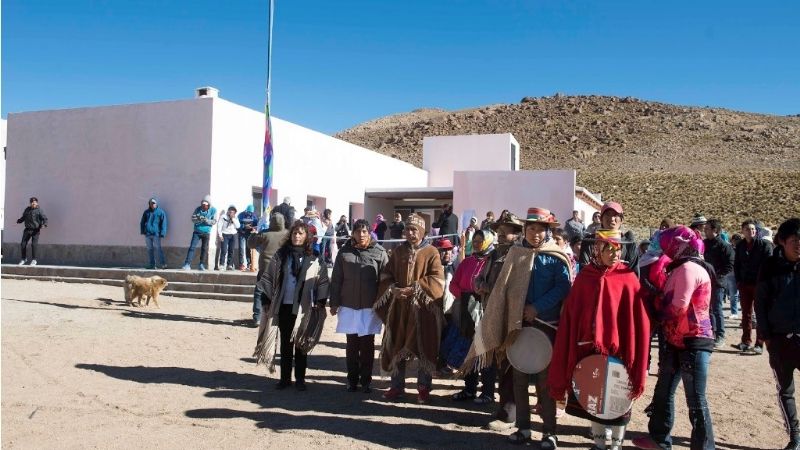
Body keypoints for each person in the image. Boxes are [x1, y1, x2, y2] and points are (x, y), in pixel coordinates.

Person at [461, 207, 571, 448]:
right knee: (519, 377)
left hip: (546, 326)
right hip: (517, 325)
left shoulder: (556, 256)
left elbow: (563, 287)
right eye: (531, 228)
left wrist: (537, 307)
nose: (535, 234)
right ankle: (523, 428)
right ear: (525, 230)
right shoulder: (516, 254)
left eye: (540, 229)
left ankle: (549, 432)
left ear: (547, 232)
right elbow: (505, 286)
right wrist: (513, 309)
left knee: (545, 381)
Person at [548, 230, 651, 450]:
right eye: (608, 249)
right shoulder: (586, 277)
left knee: (619, 399)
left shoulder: (628, 278)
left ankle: (615, 445)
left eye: (617, 249)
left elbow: (637, 320)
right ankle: (600, 443)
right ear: (597, 251)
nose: (614, 254)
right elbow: (573, 314)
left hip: (620, 351)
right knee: (593, 397)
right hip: (589, 349)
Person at [632, 226, 715, 450]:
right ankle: (659, 438)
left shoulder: (688, 269)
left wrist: (656, 312)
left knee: (696, 400)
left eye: (668, 245)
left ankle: (704, 447)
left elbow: (678, 307)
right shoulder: (678, 269)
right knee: (664, 391)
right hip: (677, 342)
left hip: (693, 342)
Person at [376, 214, 445, 404]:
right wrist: (393, 289)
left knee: (424, 347)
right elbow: (386, 275)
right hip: (400, 307)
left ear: (422, 232)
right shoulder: (398, 252)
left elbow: (438, 279)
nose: (410, 233)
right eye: (407, 229)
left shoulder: (432, 252)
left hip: (423, 309)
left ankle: (423, 388)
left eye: (414, 229)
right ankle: (397, 387)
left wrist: (415, 288)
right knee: (397, 344)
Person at [253, 221, 329, 391]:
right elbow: (269, 278)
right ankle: (285, 378)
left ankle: (300, 379)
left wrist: (320, 301)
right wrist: (266, 299)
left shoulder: (314, 259)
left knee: (300, 344)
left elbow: (322, 281)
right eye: (294, 233)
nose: (297, 236)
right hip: (284, 306)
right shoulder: (281, 256)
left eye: (300, 233)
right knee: (286, 344)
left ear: (306, 237)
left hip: (303, 309)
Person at [473, 211, 524, 430]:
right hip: (493, 316)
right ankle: (504, 408)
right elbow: (483, 277)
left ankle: (508, 414)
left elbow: (515, 290)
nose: (501, 235)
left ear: (516, 234)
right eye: (499, 231)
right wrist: (478, 282)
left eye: (506, 232)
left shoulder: (519, 255)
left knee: (510, 365)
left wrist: (488, 288)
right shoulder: (494, 255)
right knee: (499, 364)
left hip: (510, 319)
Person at [329, 219, 389, 394]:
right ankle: (352, 380)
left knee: (367, 345)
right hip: (348, 305)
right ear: (353, 233)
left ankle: (366, 381)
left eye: (364, 231)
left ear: (369, 233)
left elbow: (385, 281)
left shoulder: (380, 252)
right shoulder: (344, 252)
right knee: (352, 345)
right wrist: (334, 303)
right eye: (358, 231)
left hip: (369, 308)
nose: (361, 235)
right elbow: (337, 280)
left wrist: (383, 305)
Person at [756, 218, 800, 450]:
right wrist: (767, 337)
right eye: (795, 240)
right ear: (783, 241)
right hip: (780, 341)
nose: (799, 245)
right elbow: (760, 302)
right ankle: (795, 436)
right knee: (786, 391)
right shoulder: (770, 266)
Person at [449, 229, 496, 404]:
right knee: (468, 351)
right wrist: (465, 296)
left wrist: (480, 294)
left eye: (480, 240)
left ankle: (488, 392)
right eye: (474, 240)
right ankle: (469, 389)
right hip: (465, 311)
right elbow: (453, 284)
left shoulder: (493, 262)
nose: (476, 243)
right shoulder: (467, 262)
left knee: (485, 351)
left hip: (485, 311)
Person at [733, 219, 774, 354]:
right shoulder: (740, 246)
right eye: (748, 229)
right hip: (745, 285)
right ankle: (745, 341)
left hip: (759, 285)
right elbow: (737, 265)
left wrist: (764, 283)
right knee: (746, 314)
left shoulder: (764, 245)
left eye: (753, 229)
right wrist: (738, 281)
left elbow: (768, 265)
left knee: (760, 314)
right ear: (743, 231)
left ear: (756, 231)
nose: (751, 231)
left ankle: (759, 344)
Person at [249, 214, 288, 326]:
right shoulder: (287, 234)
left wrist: (252, 234)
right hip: (281, 268)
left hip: (265, 268)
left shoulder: (264, 233)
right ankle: (278, 317)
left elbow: (251, 244)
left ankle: (257, 317)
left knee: (260, 291)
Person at [580, 202, 639, 276]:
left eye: (616, 215)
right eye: (608, 214)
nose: (612, 219)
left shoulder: (629, 244)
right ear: (601, 219)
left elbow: (634, 274)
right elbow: (584, 270)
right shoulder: (589, 242)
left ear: (621, 220)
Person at [703, 218, 735, 348]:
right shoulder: (704, 244)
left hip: (717, 283)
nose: (705, 231)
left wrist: (717, 276)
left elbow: (730, 264)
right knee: (706, 309)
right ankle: (710, 332)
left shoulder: (724, 246)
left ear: (715, 230)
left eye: (707, 229)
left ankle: (720, 335)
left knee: (717, 309)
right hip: (704, 281)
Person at [182, 195, 217, 271]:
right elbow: (193, 219)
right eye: (203, 204)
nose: (204, 206)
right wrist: (198, 218)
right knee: (192, 247)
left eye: (205, 205)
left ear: (209, 205)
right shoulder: (198, 209)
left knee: (204, 249)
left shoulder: (213, 210)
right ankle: (187, 264)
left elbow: (214, 221)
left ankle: (201, 264)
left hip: (206, 232)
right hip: (197, 231)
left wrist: (206, 220)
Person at [17, 197, 48, 266]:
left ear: (37, 203)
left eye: (34, 202)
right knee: (23, 244)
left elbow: (44, 218)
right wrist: (19, 220)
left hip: (35, 230)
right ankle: (23, 258)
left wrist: (44, 224)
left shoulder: (39, 210)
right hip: (27, 229)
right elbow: (23, 217)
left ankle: (34, 260)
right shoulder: (27, 210)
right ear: (30, 203)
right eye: (32, 202)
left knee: (34, 245)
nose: (33, 203)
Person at [139, 197, 167, 269]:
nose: (152, 204)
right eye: (151, 203)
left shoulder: (160, 212)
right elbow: (142, 222)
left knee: (158, 248)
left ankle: (163, 264)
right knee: (149, 249)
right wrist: (143, 231)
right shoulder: (146, 212)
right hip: (148, 234)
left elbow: (164, 223)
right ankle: (152, 264)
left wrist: (163, 233)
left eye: (154, 203)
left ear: (156, 204)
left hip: (156, 234)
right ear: (149, 204)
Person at [217, 205, 240, 271]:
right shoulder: (223, 217)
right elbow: (219, 226)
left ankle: (229, 265)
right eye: (230, 211)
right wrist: (220, 235)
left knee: (231, 250)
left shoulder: (235, 218)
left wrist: (233, 219)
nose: (231, 213)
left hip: (233, 235)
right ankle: (221, 264)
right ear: (228, 211)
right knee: (224, 250)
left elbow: (238, 226)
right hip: (225, 234)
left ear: (235, 212)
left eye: (233, 212)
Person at [237, 205, 259, 271]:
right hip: (242, 233)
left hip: (249, 234)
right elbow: (237, 224)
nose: (249, 213)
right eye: (248, 212)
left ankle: (249, 263)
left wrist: (253, 228)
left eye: (251, 212)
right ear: (246, 210)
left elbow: (256, 224)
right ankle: (241, 264)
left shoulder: (254, 216)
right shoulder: (240, 215)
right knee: (241, 248)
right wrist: (244, 226)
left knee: (248, 248)